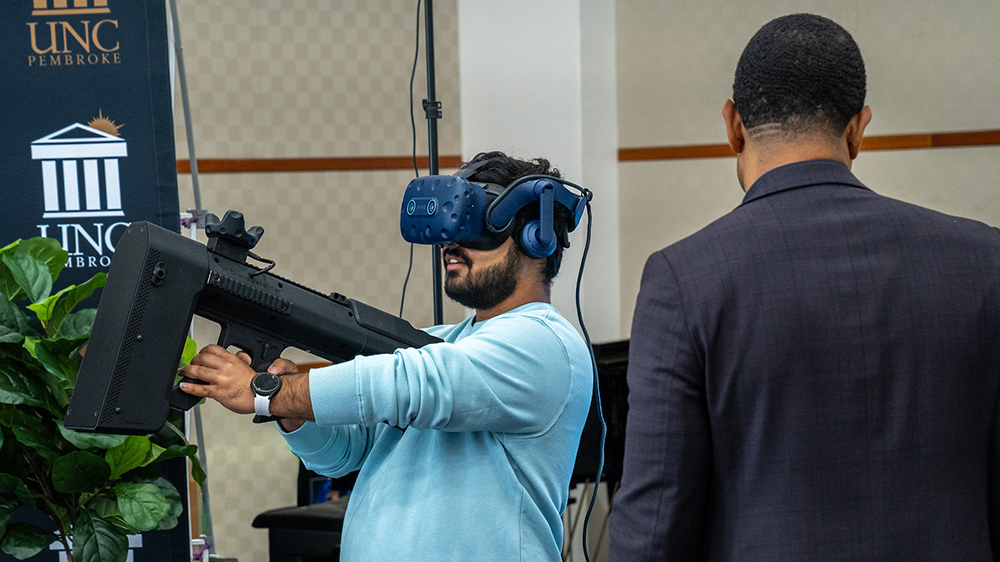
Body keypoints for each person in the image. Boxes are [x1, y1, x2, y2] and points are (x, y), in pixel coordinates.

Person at [610, 13, 1000, 562]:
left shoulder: (684, 280)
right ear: (858, 128)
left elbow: (653, 532)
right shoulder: (985, 259)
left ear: (733, 124)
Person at [179, 151, 593, 561]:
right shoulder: (440, 344)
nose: (449, 243)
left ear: (537, 237)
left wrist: (264, 391)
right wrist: (292, 413)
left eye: (475, 227)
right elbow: (342, 456)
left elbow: (411, 384)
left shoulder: (543, 343)